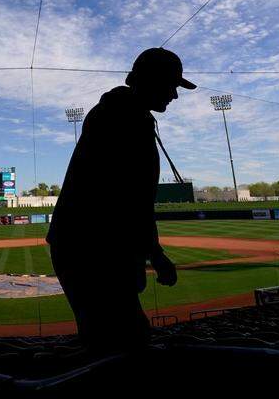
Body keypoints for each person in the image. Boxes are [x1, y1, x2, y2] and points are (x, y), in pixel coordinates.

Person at [47, 47, 195, 350]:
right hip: (93, 250)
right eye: (171, 86)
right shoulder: (126, 117)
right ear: (151, 81)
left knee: (107, 339)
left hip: (84, 246)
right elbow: (131, 200)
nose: (175, 96)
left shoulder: (121, 111)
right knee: (124, 344)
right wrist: (154, 254)